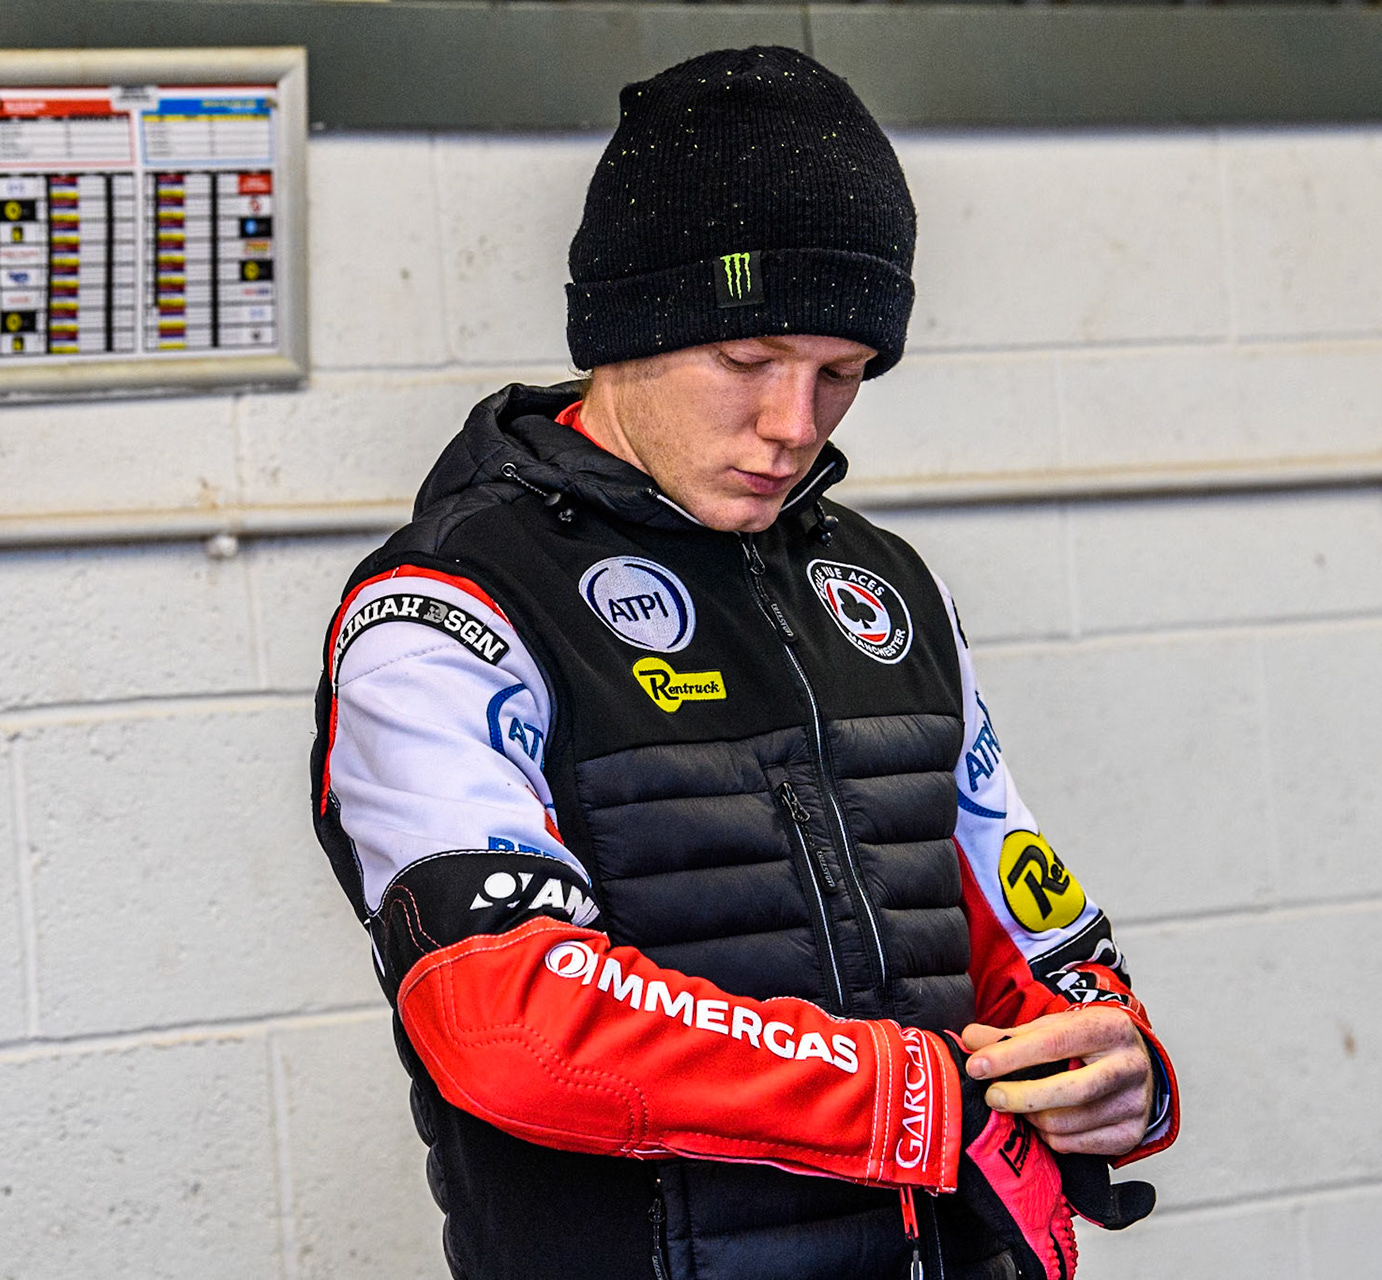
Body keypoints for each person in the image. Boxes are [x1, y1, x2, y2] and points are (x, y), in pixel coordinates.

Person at [310, 46, 1178, 1280]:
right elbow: (511, 1015)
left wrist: (1111, 1057)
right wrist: (898, 1093)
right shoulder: (450, 604)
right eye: (751, 359)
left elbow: (1024, 918)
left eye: (840, 374)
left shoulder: (883, 584)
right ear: (628, 330)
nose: (794, 424)